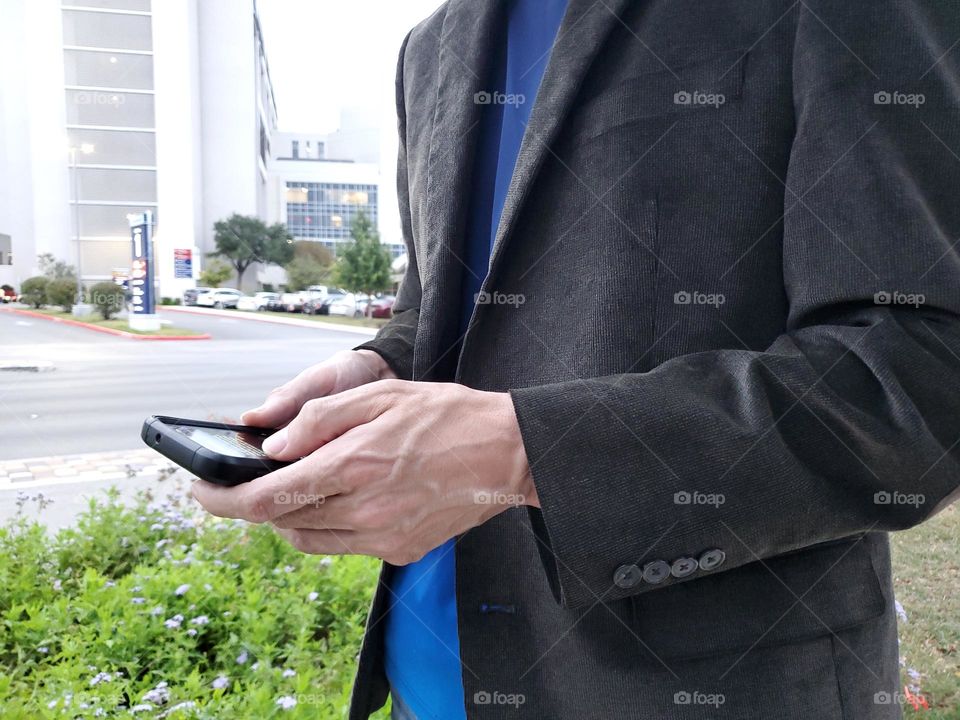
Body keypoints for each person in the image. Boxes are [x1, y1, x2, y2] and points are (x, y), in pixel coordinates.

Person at [193, 0, 960, 717]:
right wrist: (383, 364)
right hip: (426, 680)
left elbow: (922, 371)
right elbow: (438, 309)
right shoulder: (429, 48)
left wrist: (525, 452)